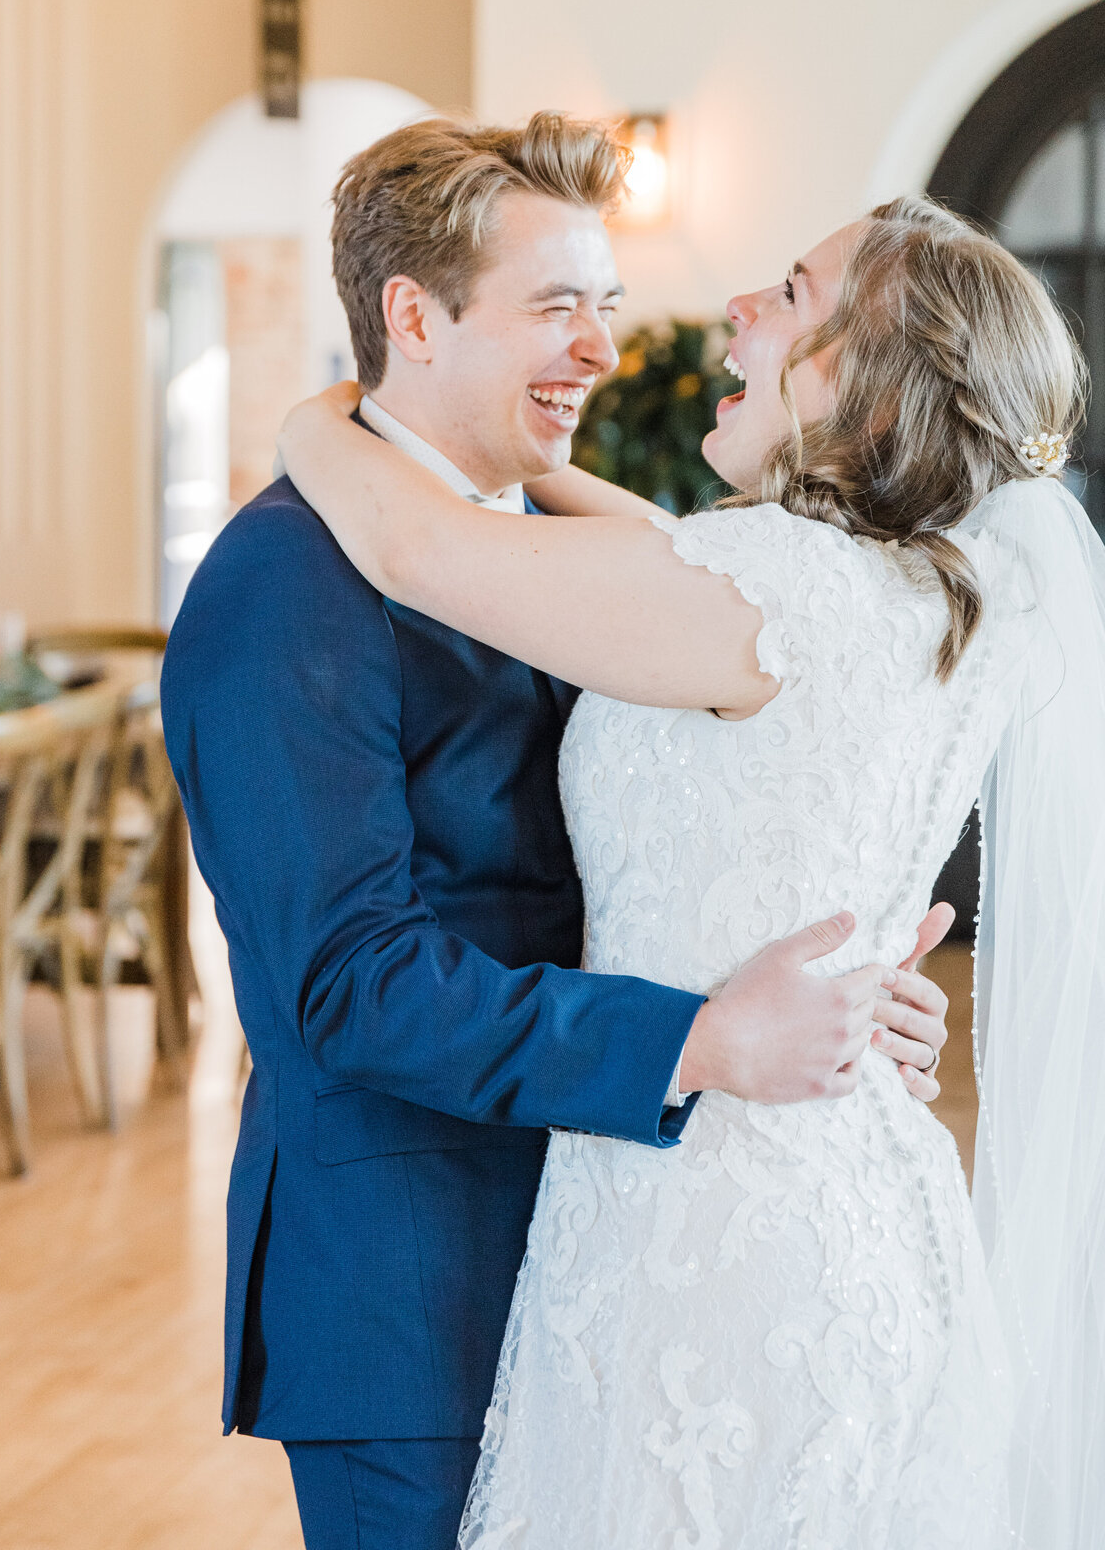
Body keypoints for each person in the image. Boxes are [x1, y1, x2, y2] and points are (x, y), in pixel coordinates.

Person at [159, 113, 952, 1550]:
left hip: (612, 1250)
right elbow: (350, 987)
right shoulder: (281, 587)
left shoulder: (551, 561)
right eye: (556, 310)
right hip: (415, 1296)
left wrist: (840, 998)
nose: (601, 349)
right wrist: (703, 1040)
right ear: (415, 316)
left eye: (606, 304)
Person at [277, 182, 1105, 1548]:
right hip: (858, 1197)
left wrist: (325, 409)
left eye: (791, 296)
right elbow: (660, 559)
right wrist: (521, 453)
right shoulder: (944, 592)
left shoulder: (764, 591)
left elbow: (414, 542)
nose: (737, 306)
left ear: (879, 402)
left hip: (719, 1239)